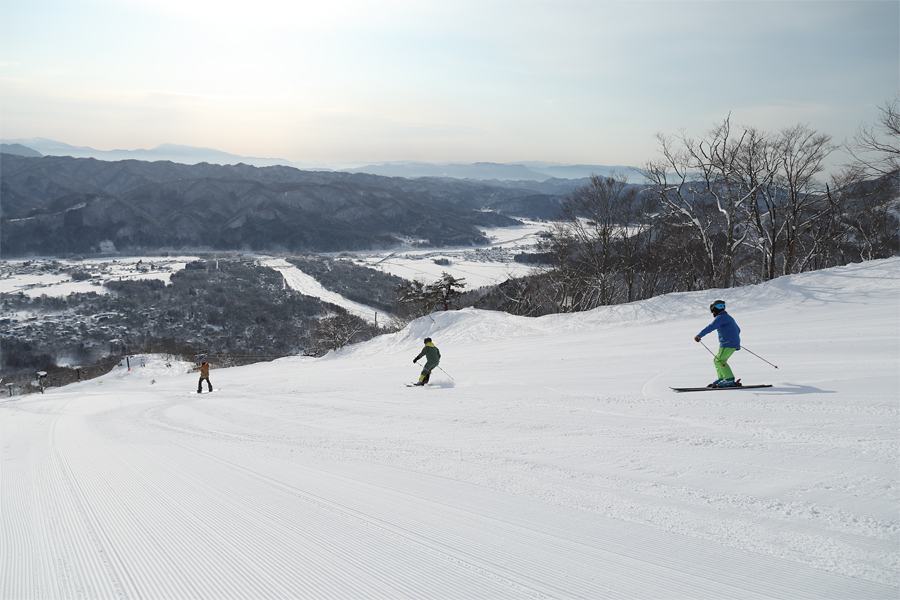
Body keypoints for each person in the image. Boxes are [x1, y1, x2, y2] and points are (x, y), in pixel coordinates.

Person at [694, 300, 741, 387]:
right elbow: (738, 330)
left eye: (712, 310)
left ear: (715, 309)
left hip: (727, 344)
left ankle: (729, 379)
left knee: (720, 360)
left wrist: (699, 336)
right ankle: (722, 378)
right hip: (730, 343)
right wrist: (734, 339)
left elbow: (710, 327)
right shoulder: (728, 317)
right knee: (717, 360)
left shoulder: (720, 318)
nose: (712, 312)